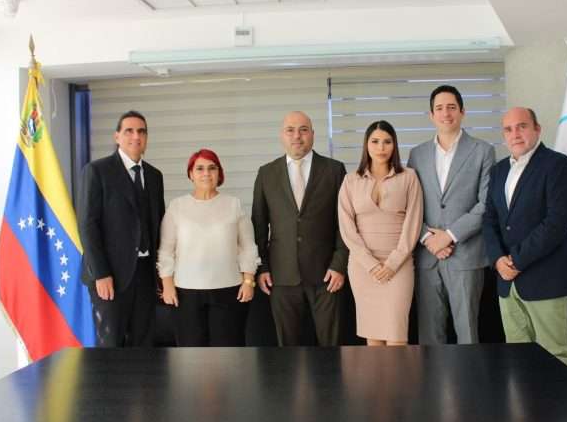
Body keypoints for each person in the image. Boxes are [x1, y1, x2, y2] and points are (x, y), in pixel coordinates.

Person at [482, 107, 567, 369]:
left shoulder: (557, 165)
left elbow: (556, 223)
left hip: (545, 277)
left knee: (556, 355)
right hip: (507, 282)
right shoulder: (498, 171)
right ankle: (525, 399)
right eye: (508, 129)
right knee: (517, 357)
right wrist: (498, 260)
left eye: (522, 126)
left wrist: (516, 260)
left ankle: (561, 399)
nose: (515, 134)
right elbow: (489, 219)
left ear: (537, 129)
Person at [407, 85, 495, 344]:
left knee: (467, 333)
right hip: (427, 257)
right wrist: (427, 238)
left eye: (451, 107)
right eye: (439, 108)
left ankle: (469, 374)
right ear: (431, 115)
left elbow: (486, 203)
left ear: (462, 112)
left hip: (465, 255)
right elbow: (410, 205)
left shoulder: (483, 150)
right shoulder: (417, 154)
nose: (446, 113)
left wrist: (449, 235)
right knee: (429, 336)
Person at [252, 111, 348, 346]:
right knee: (288, 349)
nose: (297, 136)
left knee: (330, 347)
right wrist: (262, 267)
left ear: (313, 134)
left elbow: (345, 223)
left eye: (303, 130)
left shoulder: (334, 170)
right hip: (281, 276)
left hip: (326, 275)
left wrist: (339, 265)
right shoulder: (266, 173)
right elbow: (259, 225)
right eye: (290, 130)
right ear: (281, 135)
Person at [78, 110, 165, 347]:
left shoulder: (155, 176)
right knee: (111, 347)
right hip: (111, 276)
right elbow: (87, 225)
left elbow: (158, 224)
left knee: (144, 345)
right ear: (117, 136)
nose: (136, 136)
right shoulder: (97, 171)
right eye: (129, 131)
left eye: (142, 131)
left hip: (146, 276)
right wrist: (101, 273)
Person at [157, 149, 259, 347]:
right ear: (191, 174)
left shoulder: (234, 204)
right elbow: (166, 250)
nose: (206, 173)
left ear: (219, 173)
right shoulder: (177, 207)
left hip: (229, 290)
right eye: (200, 168)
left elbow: (248, 247)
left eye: (212, 168)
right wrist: (167, 284)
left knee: (228, 352)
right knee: (190, 354)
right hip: (185, 293)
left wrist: (248, 281)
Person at [338, 121, 423, 345]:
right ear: (366, 145)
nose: (381, 147)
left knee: (397, 338)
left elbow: (413, 224)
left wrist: (393, 263)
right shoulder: (350, 180)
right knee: (373, 340)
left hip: (399, 265)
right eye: (375, 142)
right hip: (363, 267)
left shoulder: (409, 177)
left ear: (394, 145)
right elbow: (347, 228)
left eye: (387, 142)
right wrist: (371, 264)